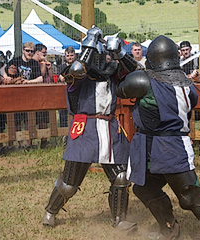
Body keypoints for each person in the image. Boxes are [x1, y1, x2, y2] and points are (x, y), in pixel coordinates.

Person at [116, 35, 200, 240]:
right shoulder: (187, 84)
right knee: (145, 189)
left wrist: (119, 57)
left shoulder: (144, 81)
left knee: (192, 198)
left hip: (167, 148)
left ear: (152, 58)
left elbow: (121, 87)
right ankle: (170, 231)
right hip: (160, 147)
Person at [42, 27, 138, 231]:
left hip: (110, 127)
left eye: (102, 53)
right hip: (85, 128)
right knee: (69, 184)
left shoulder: (112, 72)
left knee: (121, 177)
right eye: (96, 52)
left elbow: (135, 72)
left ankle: (119, 220)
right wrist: (90, 42)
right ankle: (50, 211)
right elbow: (77, 70)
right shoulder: (78, 73)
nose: (100, 57)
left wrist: (120, 52)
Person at [57, 47, 77, 130]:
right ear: (65, 56)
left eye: (71, 55)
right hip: (63, 93)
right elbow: (60, 78)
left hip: (75, 92)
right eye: (68, 55)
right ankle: (63, 132)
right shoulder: (61, 67)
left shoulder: (77, 66)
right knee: (63, 113)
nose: (70, 57)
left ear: (75, 55)